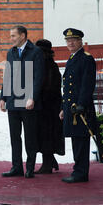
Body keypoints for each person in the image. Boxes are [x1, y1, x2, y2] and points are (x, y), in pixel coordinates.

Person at [0, 25, 45, 178]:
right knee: (14, 136)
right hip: (13, 101)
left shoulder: (36, 52)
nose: (11, 38)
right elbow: (8, 76)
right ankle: (16, 167)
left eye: (13, 36)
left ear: (23, 36)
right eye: (10, 36)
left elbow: (38, 78)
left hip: (28, 102)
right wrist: (3, 97)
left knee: (30, 136)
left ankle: (30, 167)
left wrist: (32, 97)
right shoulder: (10, 53)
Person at [59, 28, 97, 183]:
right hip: (71, 108)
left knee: (81, 140)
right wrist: (63, 108)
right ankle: (78, 170)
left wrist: (81, 104)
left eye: (73, 40)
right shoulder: (72, 58)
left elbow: (87, 85)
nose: (70, 43)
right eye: (68, 41)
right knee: (75, 139)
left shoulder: (86, 58)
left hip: (81, 108)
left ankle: (81, 172)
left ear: (81, 41)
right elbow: (67, 86)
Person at [34, 39, 65, 174]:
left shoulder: (48, 66)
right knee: (44, 135)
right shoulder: (50, 65)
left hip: (48, 107)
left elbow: (49, 88)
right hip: (48, 106)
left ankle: (47, 164)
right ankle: (50, 160)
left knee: (46, 135)